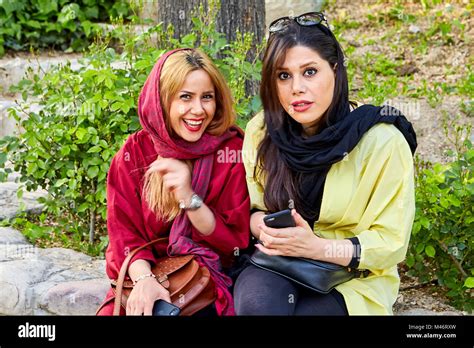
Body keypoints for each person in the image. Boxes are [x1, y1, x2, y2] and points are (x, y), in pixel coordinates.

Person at [234, 12, 417, 315]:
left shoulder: (382, 142)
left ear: (335, 70)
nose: (296, 88)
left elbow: (391, 241)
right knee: (258, 307)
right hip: (279, 261)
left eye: (309, 72)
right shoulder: (263, 131)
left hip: (354, 275)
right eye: (283, 76)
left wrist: (316, 247)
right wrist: (265, 230)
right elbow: (254, 209)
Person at [96, 48, 250, 316]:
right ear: (162, 101)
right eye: (185, 97)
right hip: (144, 270)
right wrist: (145, 282)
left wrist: (189, 197)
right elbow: (124, 236)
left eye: (207, 98)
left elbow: (233, 243)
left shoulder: (232, 151)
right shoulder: (134, 153)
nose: (198, 110)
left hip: (209, 276)